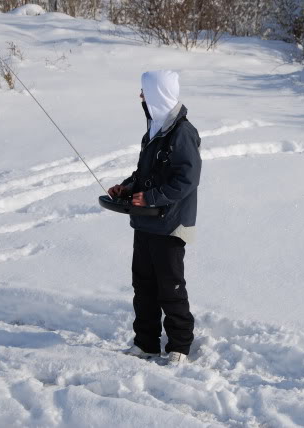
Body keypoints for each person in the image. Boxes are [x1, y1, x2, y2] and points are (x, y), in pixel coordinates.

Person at [108, 70, 202, 366]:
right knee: (143, 285)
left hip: (170, 224)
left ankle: (180, 346)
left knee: (170, 287)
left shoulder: (182, 132)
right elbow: (145, 174)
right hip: (145, 222)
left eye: (144, 93)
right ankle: (146, 343)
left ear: (158, 95)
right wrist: (128, 187)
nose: (140, 98)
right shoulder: (154, 129)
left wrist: (149, 198)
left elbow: (187, 180)